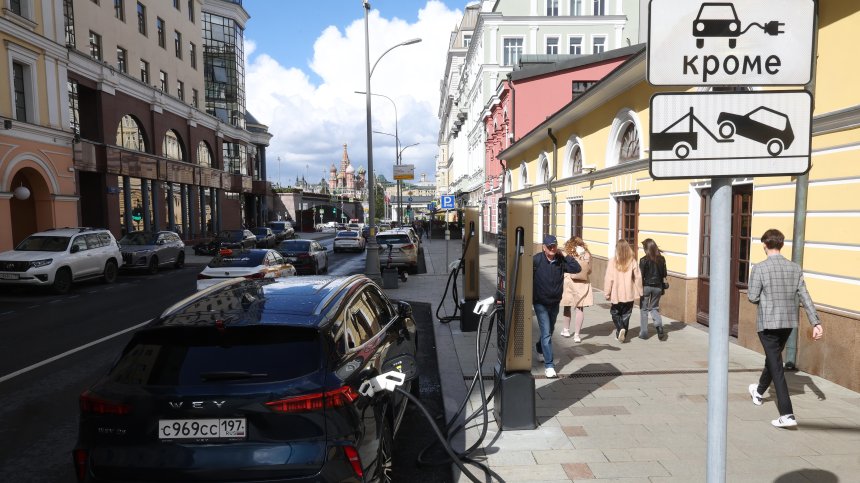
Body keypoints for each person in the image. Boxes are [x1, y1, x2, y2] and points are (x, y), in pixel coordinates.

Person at [747, 228, 823, 429]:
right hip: (788, 324)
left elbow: (752, 297)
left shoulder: (760, 268)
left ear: (765, 245)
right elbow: (805, 296)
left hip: (768, 324)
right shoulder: (795, 268)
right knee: (772, 360)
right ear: (781, 245)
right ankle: (759, 390)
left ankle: (787, 414)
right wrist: (815, 322)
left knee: (777, 366)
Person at [533, 234, 581, 379]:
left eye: (554, 246)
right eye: (549, 246)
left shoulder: (560, 260)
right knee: (547, 332)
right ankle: (549, 366)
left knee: (550, 329)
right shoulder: (536, 260)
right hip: (540, 302)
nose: (552, 248)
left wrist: (565, 255)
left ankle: (539, 347)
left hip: (554, 302)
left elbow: (576, 268)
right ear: (544, 247)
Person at [603, 239, 643, 343]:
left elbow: (609, 279)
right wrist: (640, 291)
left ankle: (620, 329)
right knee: (626, 314)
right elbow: (638, 277)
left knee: (615, 312)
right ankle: (622, 334)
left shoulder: (612, 261)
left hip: (617, 293)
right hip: (629, 293)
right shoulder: (632, 261)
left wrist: (607, 293)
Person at [559, 236, 593, 343]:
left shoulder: (568, 253)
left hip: (569, 282)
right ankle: (577, 335)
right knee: (580, 308)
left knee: (567, 306)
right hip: (582, 283)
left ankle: (566, 330)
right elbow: (590, 270)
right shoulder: (587, 254)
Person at [639, 238, 668, 341]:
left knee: (644, 309)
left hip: (646, 286)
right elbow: (664, 274)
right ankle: (659, 326)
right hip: (658, 287)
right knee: (654, 308)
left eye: (643, 247)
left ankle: (644, 333)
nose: (643, 249)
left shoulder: (643, 260)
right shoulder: (662, 259)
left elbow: (640, 276)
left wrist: (639, 289)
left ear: (647, 248)